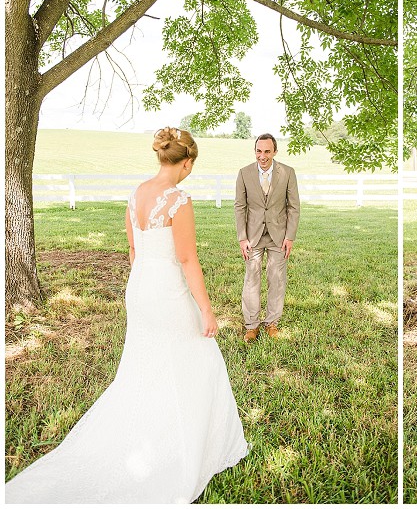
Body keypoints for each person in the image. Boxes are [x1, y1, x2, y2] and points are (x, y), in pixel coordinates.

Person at [5, 127, 248, 503]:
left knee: (146, 361)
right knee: (198, 357)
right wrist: (206, 308)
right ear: (187, 162)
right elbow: (186, 259)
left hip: (140, 287)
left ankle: (152, 425)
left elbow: (134, 252)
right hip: (166, 288)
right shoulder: (179, 200)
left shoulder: (136, 195)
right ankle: (183, 442)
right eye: (191, 166)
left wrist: (144, 282)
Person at [234, 133, 300, 342]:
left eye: (267, 151)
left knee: (277, 279)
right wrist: (242, 238)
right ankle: (251, 325)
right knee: (252, 279)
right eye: (259, 151)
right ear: (255, 151)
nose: (262, 156)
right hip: (252, 236)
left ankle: (272, 323)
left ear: (275, 152)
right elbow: (240, 207)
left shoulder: (287, 173)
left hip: (278, 236)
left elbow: (294, 207)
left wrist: (289, 237)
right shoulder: (244, 173)